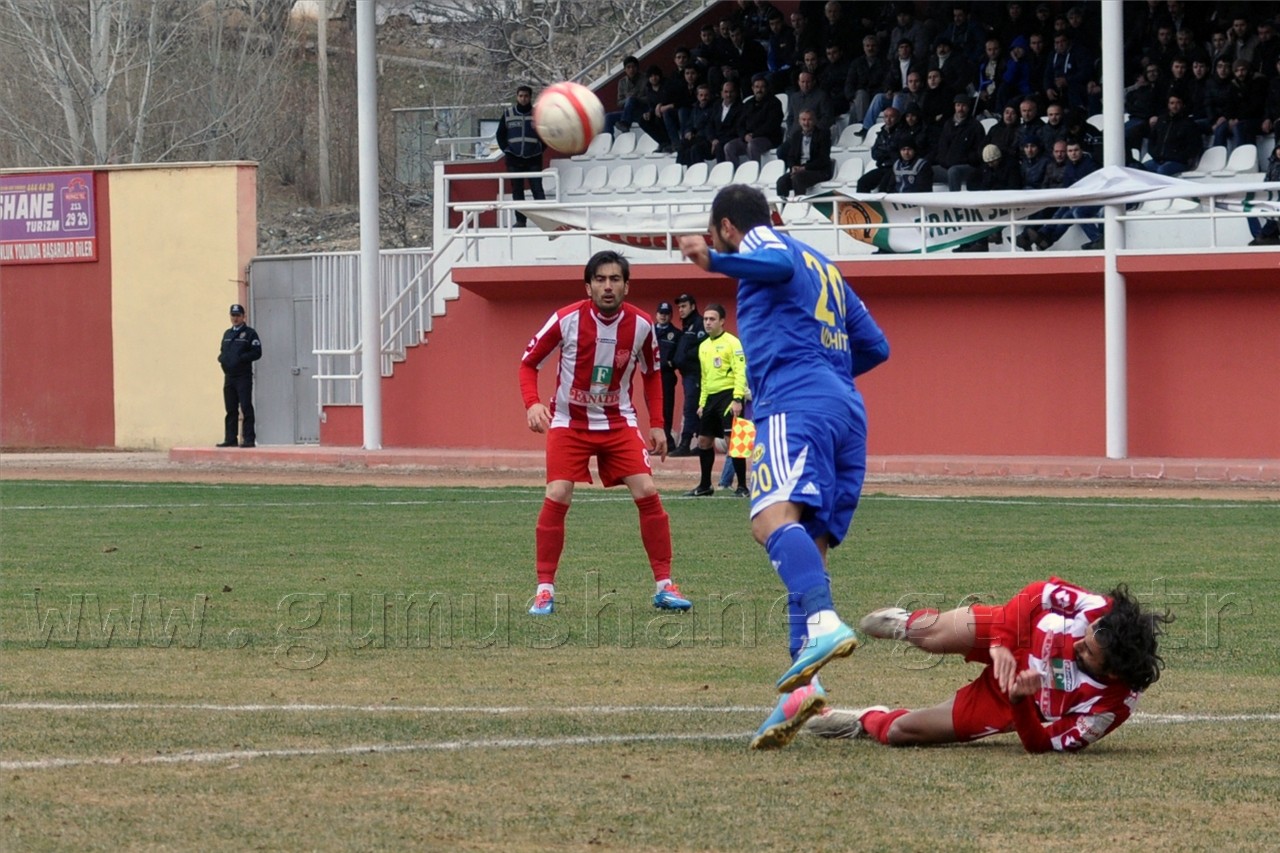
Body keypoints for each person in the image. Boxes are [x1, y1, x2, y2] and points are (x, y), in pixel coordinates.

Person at [677, 185, 890, 749]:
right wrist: (828, 370)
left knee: (768, 519)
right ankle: (802, 692)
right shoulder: (827, 268)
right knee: (808, 546)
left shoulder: (768, 244)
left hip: (793, 404)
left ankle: (823, 623)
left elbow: (767, 258)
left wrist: (716, 262)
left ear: (726, 226)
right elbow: (878, 347)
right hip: (844, 409)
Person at [806, 578, 1173, 753]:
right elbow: (1038, 591)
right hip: (1013, 631)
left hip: (1009, 699)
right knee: (928, 636)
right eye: (1086, 634)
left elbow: (1041, 743)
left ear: (1112, 673)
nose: (1079, 642)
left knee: (902, 733)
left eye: (1088, 652)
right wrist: (1000, 644)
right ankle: (907, 625)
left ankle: (862, 720)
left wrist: (1018, 701)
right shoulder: (1099, 609)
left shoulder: (1108, 710)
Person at [518, 251, 692, 617]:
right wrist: (533, 403)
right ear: (588, 286)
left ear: (627, 286)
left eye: (615, 279)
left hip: (618, 421)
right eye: (600, 279)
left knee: (647, 490)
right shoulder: (565, 320)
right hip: (569, 421)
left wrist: (657, 423)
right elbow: (528, 363)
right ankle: (544, 590)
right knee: (558, 492)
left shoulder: (643, 325)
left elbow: (653, 374)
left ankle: (665, 586)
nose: (608, 286)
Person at [684, 303, 747, 498]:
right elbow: (704, 377)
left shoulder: (733, 342)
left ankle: (742, 487)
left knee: (733, 441)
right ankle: (705, 485)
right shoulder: (703, 346)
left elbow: (740, 371)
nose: (708, 322)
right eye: (705, 319)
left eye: (712, 319)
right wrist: (702, 403)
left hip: (729, 396)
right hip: (710, 398)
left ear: (722, 321)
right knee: (703, 441)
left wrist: (738, 398)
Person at [495, 85, 545, 228]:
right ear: (517, 97)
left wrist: (540, 148)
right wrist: (506, 150)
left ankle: (544, 221)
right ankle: (521, 221)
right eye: (521, 96)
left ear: (530, 97)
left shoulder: (538, 114)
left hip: (534, 157)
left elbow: (546, 134)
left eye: (526, 96)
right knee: (517, 191)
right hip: (514, 159)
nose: (523, 98)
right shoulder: (508, 113)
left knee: (537, 189)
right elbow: (500, 134)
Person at [217, 303, 262, 448]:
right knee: (230, 409)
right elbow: (223, 351)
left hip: (243, 376)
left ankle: (248, 439)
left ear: (243, 316)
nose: (235, 318)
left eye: (238, 315)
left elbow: (257, 353)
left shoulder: (250, 333)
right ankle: (230, 438)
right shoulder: (227, 334)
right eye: (233, 315)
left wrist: (241, 358)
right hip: (229, 376)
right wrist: (222, 359)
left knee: (246, 406)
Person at [670, 293, 706, 456]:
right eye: (679, 307)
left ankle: (685, 443)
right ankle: (701, 442)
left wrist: (684, 357)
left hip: (696, 374)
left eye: (684, 306)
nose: (681, 310)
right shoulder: (686, 325)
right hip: (686, 374)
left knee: (691, 407)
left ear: (692, 306)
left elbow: (702, 347)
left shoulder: (699, 323)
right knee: (695, 407)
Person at [723, 73, 785, 165]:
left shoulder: (774, 103)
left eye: (762, 87)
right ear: (752, 88)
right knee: (729, 147)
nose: (759, 90)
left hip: (768, 138)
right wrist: (744, 135)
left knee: (753, 145)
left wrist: (754, 135)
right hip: (748, 138)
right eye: (756, 87)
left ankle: (754, 173)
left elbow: (772, 125)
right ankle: (734, 173)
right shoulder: (748, 103)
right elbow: (740, 124)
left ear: (767, 88)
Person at [775, 109, 833, 198]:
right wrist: (793, 167)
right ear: (799, 121)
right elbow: (791, 156)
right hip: (799, 171)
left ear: (814, 121)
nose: (806, 123)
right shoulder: (796, 135)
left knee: (798, 178)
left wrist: (804, 168)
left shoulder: (823, 134)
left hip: (818, 171)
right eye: (803, 120)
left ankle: (799, 208)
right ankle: (783, 209)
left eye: (809, 120)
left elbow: (823, 159)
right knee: (781, 182)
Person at [654, 302, 682, 448]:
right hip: (652, 375)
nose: (663, 316)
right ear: (656, 314)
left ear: (670, 316)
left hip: (666, 376)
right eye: (661, 313)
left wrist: (669, 364)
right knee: (654, 408)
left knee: (666, 409)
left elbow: (679, 356)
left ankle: (667, 442)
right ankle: (657, 443)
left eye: (666, 313)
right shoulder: (649, 330)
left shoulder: (676, 334)